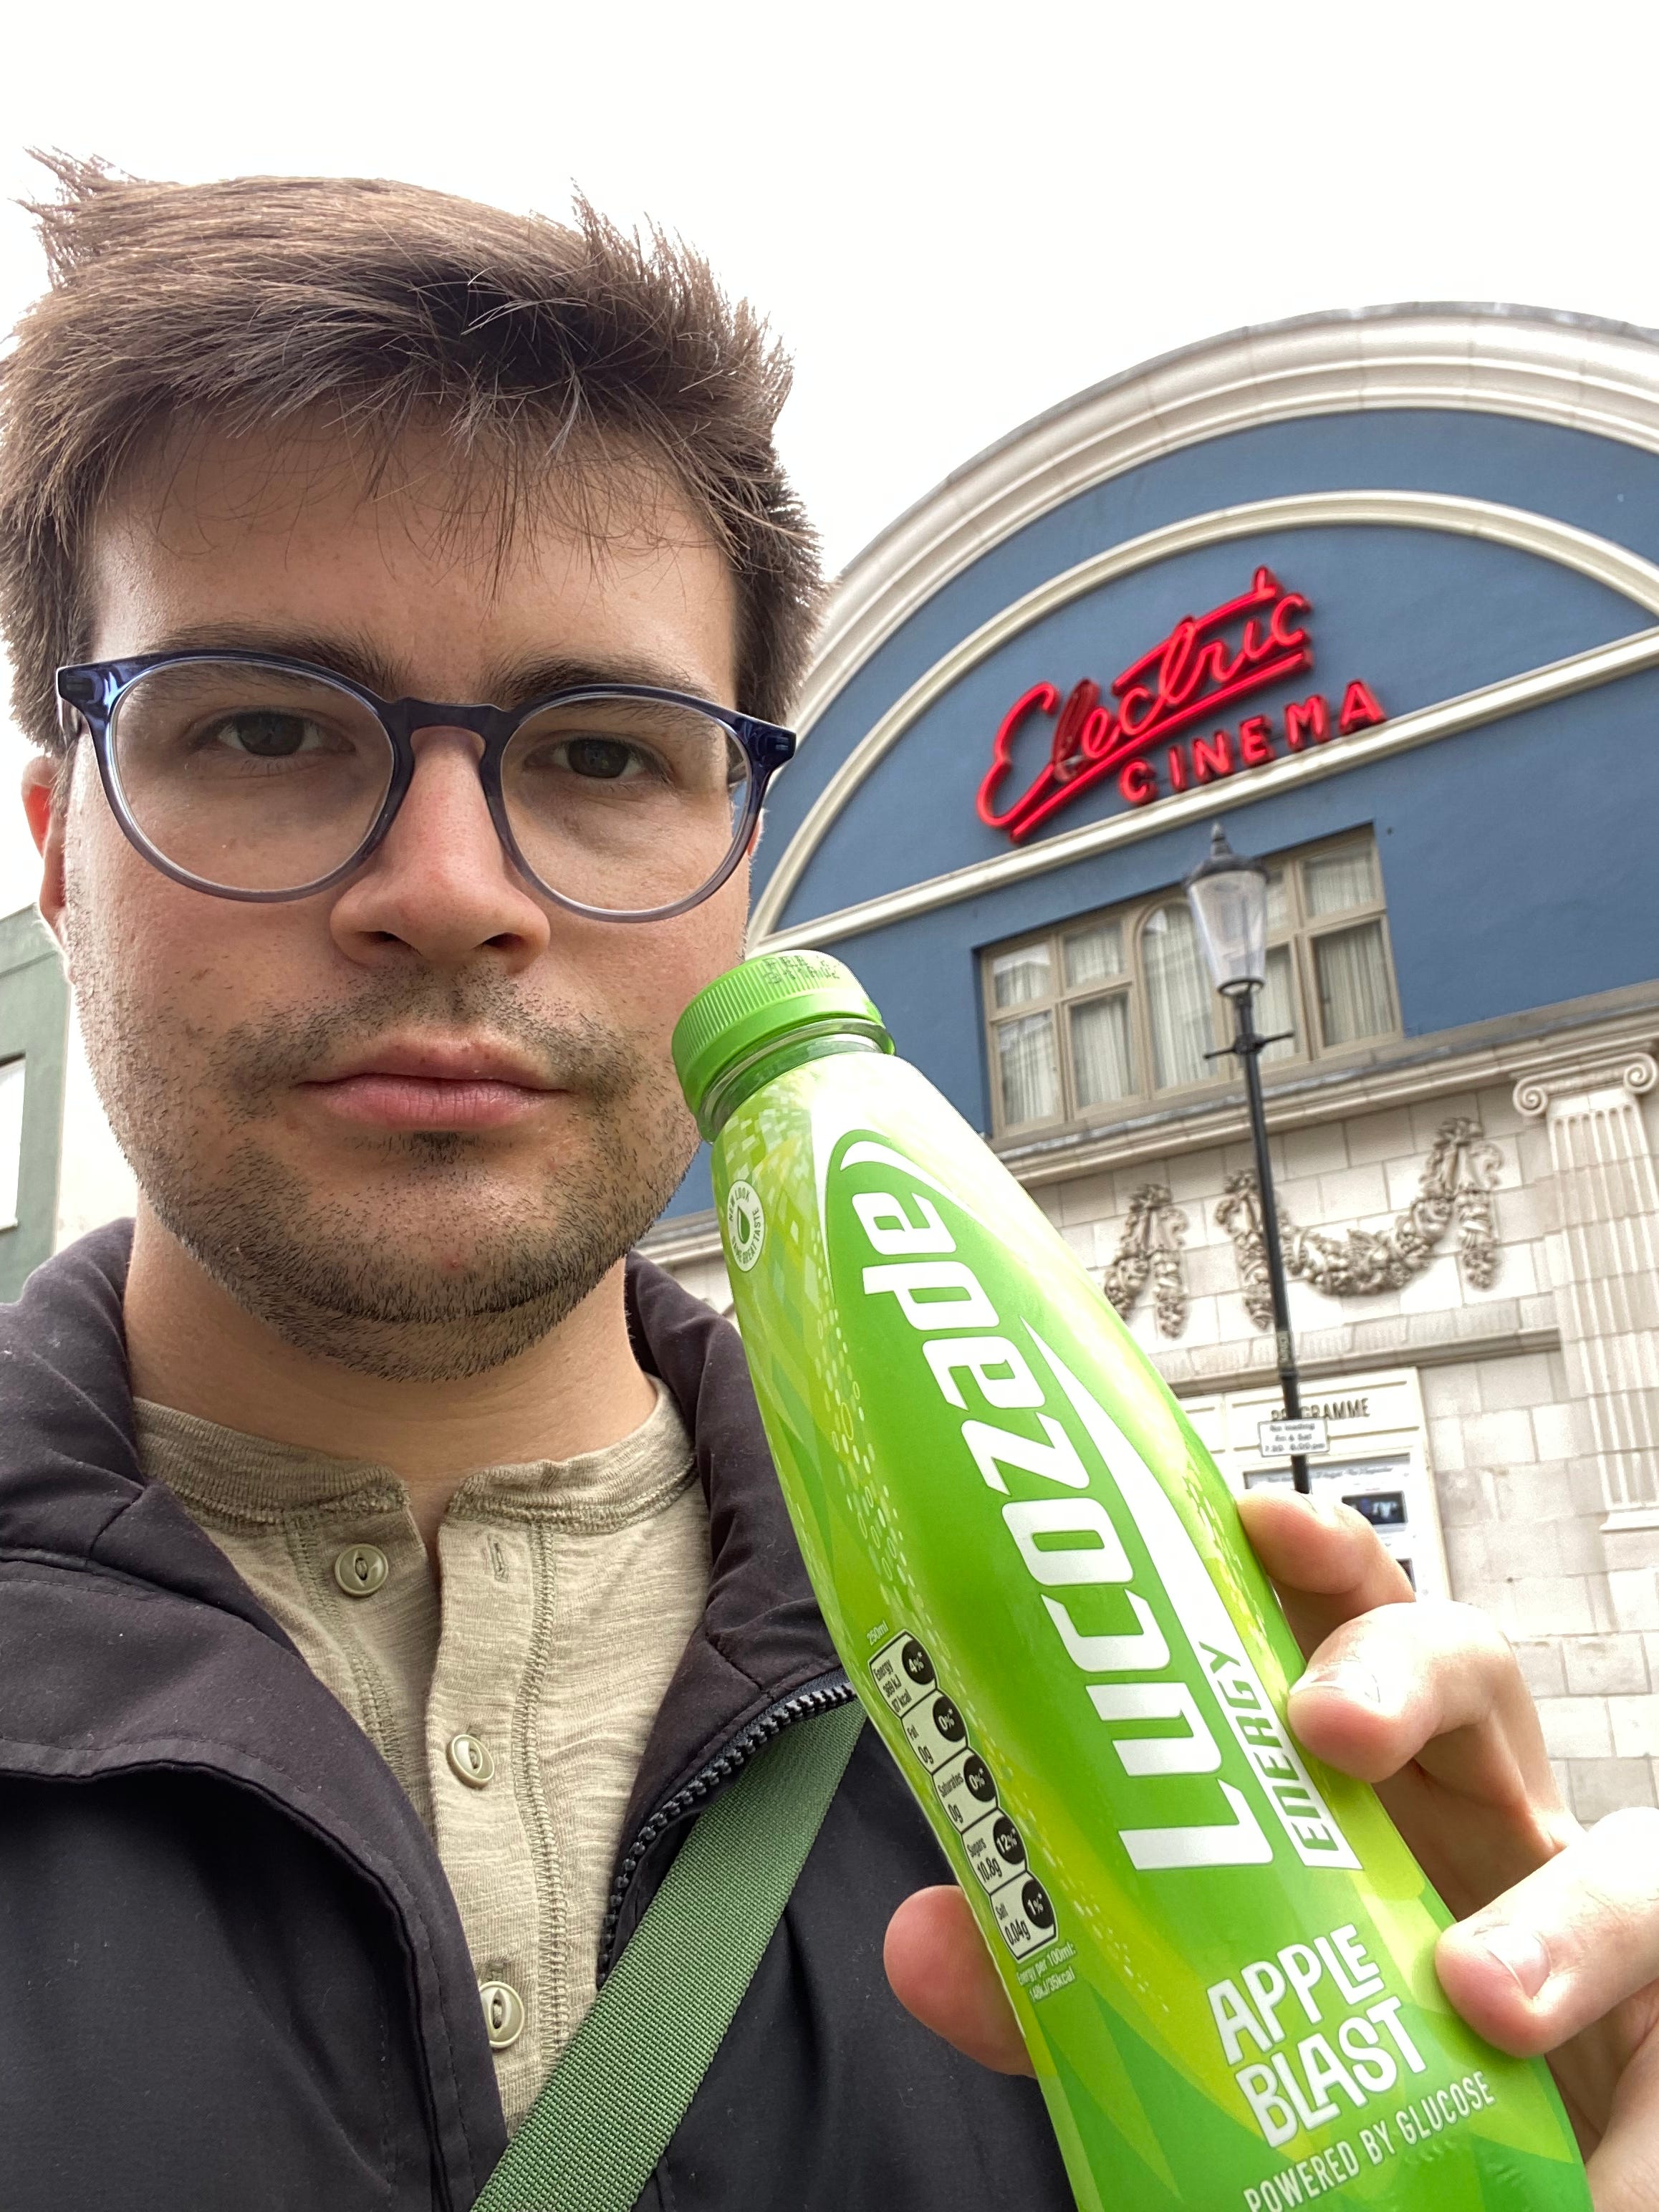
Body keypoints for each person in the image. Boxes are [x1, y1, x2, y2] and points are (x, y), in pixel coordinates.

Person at [0, 158, 1655, 2211]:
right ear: (61, 843)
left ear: (744, 877)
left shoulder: (1154, 1692)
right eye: (262, 727)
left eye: (600, 755)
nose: (445, 892)